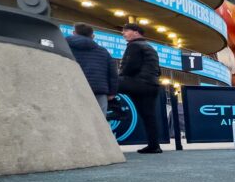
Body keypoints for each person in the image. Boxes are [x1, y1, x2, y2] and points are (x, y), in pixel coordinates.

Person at [118, 22, 163, 154]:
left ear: (136, 32)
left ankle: (116, 110)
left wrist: (120, 75)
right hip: (152, 85)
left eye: (126, 31)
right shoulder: (150, 47)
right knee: (149, 116)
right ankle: (154, 145)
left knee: (108, 83)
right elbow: (158, 71)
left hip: (138, 84)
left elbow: (130, 67)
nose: (123, 34)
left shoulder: (134, 45)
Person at [66, 23, 117, 115]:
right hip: (98, 91)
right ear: (92, 36)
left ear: (74, 33)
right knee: (100, 123)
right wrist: (112, 92)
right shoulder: (103, 51)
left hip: (72, 88)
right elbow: (113, 74)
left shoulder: (65, 47)